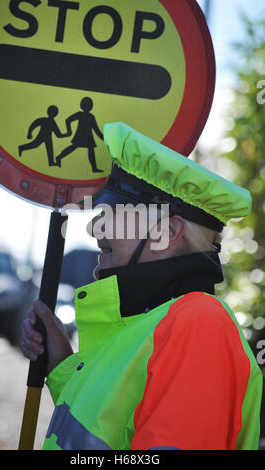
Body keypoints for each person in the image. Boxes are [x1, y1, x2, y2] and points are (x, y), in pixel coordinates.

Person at [21, 122, 263, 450]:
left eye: (111, 212)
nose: (94, 228)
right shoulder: (154, 322)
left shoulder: (199, 324)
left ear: (168, 231)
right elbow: (110, 430)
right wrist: (63, 367)